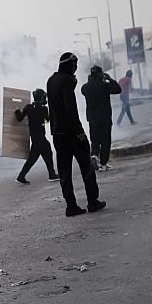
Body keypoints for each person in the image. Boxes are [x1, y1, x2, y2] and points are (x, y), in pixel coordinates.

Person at [47, 52, 105, 217]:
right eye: (75, 65)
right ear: (70, 65)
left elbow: (53, 109)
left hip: (57, 134)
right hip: (72, 132)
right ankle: (92, 202)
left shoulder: (51, 80)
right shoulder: (68, 81)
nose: (76, 68)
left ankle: (71, 206)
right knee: (86, 166)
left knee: (64, 172)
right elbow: (71, 110)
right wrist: (79, 132)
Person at [81, 66, 122, 172]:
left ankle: (94, 155)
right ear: (100, 74)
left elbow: (84, 89)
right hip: (105, 118)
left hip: (92, 119)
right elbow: (118, 89)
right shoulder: (104, 85)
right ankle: (103, 163)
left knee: (94, 140)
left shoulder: (85, 87)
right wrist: (110, 79)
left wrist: (91, 80)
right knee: (105, 141)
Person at [14, 89, 60, 184]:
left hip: (35, 137)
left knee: (46, 153)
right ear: (42, 98)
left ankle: (51, 174)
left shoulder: (28, 107)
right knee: (35, 158)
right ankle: (22, 176)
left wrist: (17, 111)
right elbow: (47, 120)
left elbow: (19, 118)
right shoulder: (43, 109)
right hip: (40, 138)